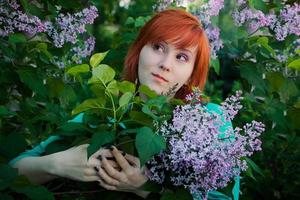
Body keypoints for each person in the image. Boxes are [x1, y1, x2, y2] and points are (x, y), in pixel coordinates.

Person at [10, 9, 239, 199]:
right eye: (158, 47)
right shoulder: (105, 114)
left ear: (191, 74)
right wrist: (55, 164)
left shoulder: (209, 121)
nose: (165, 64)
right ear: (140, 51)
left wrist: (145, 188)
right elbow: (11, 171)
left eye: (182, 57)